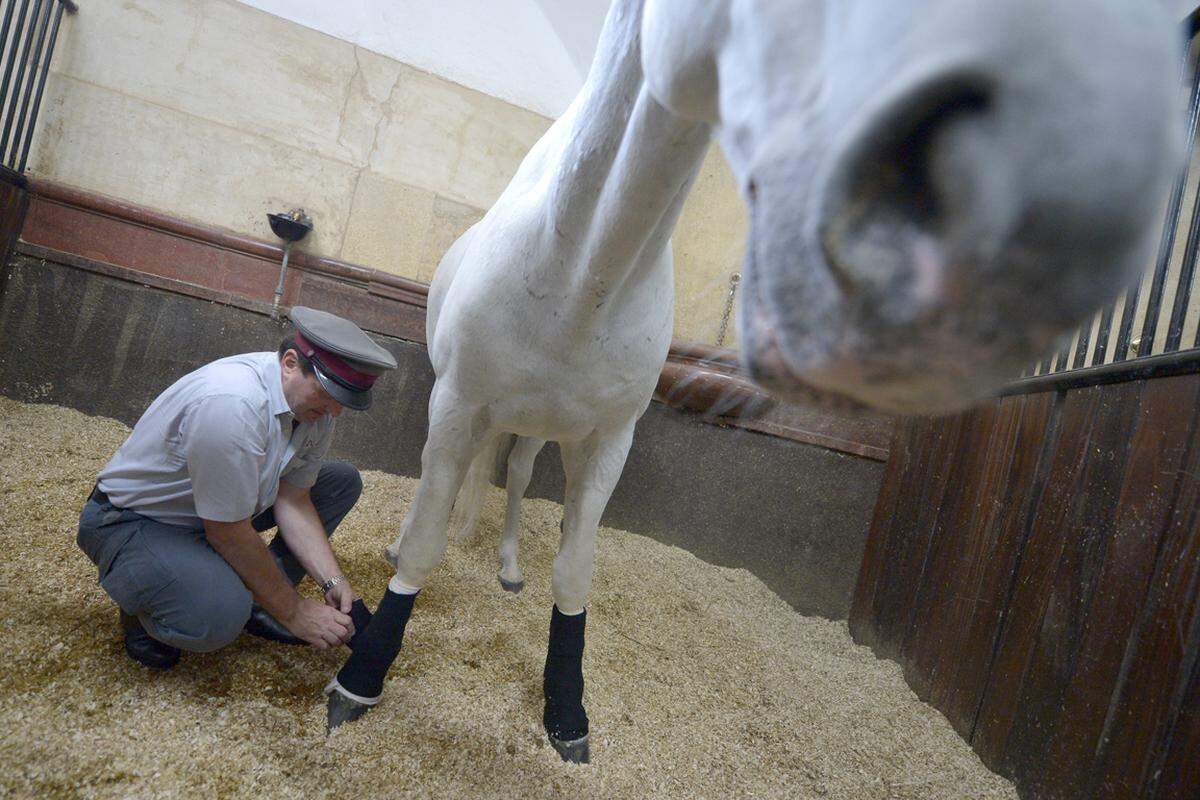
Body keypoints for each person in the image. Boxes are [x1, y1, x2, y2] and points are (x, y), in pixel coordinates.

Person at [77, 307, 397, 670]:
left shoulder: (315, 408)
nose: (335, 411)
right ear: (290, 362)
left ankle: (256, 597)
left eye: (344, 401)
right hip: (136, 519)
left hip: (215, 513)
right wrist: (294, 612)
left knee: (339, 481)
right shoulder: (233, 405)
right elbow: (227, 532)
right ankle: (147, 611)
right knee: (218, 617)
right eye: (329, 392)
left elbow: (293, 499)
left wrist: (332, 581)